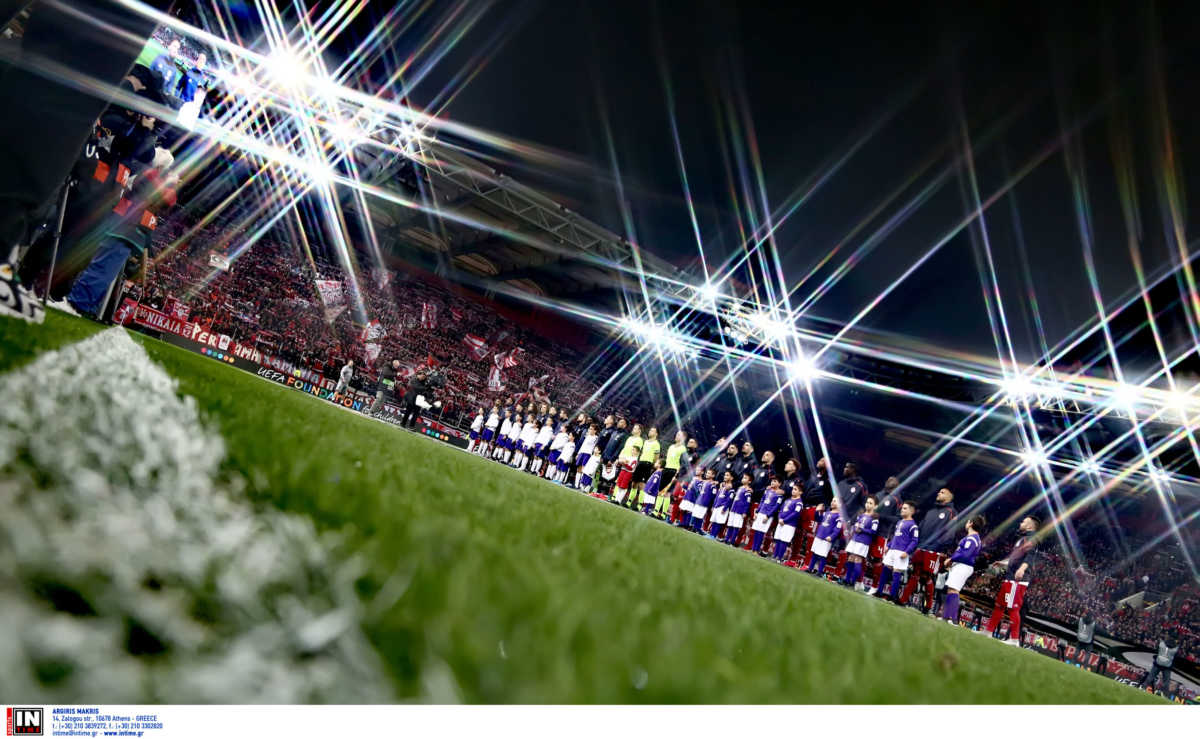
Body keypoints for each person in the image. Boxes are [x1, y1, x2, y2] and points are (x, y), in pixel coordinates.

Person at [984, 515, 1040, 645]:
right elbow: (1015, 558)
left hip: (1017, 579)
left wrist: (1022, 569)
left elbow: (1030, 557)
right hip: (1010, 577)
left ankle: (1014, 640)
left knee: (1013, 608)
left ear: (1030, 526)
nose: (1021, 523)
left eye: (1023, 522)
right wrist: (1003, 563)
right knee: (999, 605)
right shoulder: (1022, 539)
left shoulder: (1032, 538)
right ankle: (988, 632)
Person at [901, 487, 958, 613]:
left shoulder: (951, 512)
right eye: (939, 491)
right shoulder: (931, 511)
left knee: (927, 576)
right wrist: (917, 543)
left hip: (935, 550)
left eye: (942, 492)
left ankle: (928, 607)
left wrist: (941, 547)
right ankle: (903, 600)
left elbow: (950, 533)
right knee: (915, 573)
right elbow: (921, 527)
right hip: (921, 547)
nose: (939, 493)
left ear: (949, 497)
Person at [941, 515, 985, 625]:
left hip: (963, 565)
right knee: (951, 589)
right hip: (962, 565)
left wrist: (951, 559)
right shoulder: (973, 538)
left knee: (954, 590)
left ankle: (953, 619)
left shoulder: (972, 539)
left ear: (970, 524)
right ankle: (946, 616)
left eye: (967, 521)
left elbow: (965, 555)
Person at [875, 501, 919, 602]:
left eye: (905, 508)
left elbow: (914, 541)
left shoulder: (913, 526)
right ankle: (879, 592)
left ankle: (893, 596)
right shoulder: (900, 522)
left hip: (901, 552)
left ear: (912, 511)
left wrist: (907, 552)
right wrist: (889, 546)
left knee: (896, 573)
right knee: (885, 569)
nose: (902, 510)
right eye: (902, 508)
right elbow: (896, 536)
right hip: (892, 550)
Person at [843, 495, 880, 588]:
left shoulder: (875, 518)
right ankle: (846, 580)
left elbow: (873, 532)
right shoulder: (861, 514)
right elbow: (855, 525)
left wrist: (862, 529)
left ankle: (853, 582)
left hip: (863, 542)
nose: (868, 504)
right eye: (867, 502)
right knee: (850, 558)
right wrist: (855, 529)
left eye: (871, 503)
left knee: (857, 560)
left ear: (875, 506)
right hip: (855, 539)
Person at [807, 497, 842, 575]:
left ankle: (819, 572)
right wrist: (817, 511)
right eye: (832, 501)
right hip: (819, 535)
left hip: (827, 538)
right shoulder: (826, 512)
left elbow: (837, 529)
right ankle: (810, 568)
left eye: (835, 501)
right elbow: (818, 519)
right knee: (814, 553)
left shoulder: (839, 516)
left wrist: (832, 536)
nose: (832, 502)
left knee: (823, 556)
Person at [773, 482, 804, 562]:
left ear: (800, 492)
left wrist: (785, 520)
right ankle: (774, 556)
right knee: (778, 539)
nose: (793, 491)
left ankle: (779, 558)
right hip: (781, 522)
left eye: (795, 489)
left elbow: (796, 513)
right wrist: (779, 518)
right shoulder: (787, 500)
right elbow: (781, 510)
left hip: (789, 524)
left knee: (784, 540)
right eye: (793, 489)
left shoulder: (799, 502)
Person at [751, 478, 784, 555]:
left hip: (767, 515)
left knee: (761, 532)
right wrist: (757, 511)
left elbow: (776, 507)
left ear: (779, 484)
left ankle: (756, 550)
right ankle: (753, 548)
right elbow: (762, 501)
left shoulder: (779, 495)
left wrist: (768, 516)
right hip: (761, 512)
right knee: (756, 530)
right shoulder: (767, 490)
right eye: (772, 481)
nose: (772, 482)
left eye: (775, 481)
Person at [725, 474, 753, 546]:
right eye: (743, 477)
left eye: (745, 478)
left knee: (736, 526)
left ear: (749, 481)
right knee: (730, 525)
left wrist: (745, 512)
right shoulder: (739, 487)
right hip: (733, 509)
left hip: (740, 511)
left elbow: (747, 502)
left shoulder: (748, 490)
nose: (743, 479)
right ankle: (726, 540)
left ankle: (732, 542)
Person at [632, 426, 660, 500]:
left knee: (642, 485)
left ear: (656, 434)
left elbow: (656, 457)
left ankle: (640, 504)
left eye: (652, 431)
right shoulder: (646, 442)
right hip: (640, 462)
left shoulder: (656, 444)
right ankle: (629, 502)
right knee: (634, 483)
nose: (650, 432)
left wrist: (652, 465)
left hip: (648, 464)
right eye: (650, 430)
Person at [707, 471, 735, 539]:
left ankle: (714, 535)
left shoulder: (731, 489)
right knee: (714, 520)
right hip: (717, 505)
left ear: (731, 478)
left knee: (719, 522)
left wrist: (725, 508)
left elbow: (729, 500)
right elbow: (717, 496)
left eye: (727, 475)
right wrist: (714, 505)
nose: (725, 476)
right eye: (725, 475)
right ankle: (711, 534)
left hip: (722, 507)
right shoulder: (722, 486)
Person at [690, 467, 718, 533]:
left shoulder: (713, 485)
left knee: (700, 515)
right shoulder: (703, 482)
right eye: (707, 473)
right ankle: (693, 527)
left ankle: (698, 528)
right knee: (695, 514)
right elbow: (698, 489)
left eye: (709, 473)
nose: (707, 474)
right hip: (698, 501)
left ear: (713, 475)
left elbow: (713, 495)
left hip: (704, 503)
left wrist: (709, 502)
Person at [574, 424, 599, 488]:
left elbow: (594, 447)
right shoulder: (587, 436)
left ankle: (581, 485)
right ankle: (576, 485)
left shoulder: (596, 438)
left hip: (588, 454)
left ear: (595, 431)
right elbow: (583, 445)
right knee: (578, 469)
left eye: (591, 429)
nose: (589, 430)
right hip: (582, 453)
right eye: (589, 429)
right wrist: (578, 453)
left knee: (584, 469)